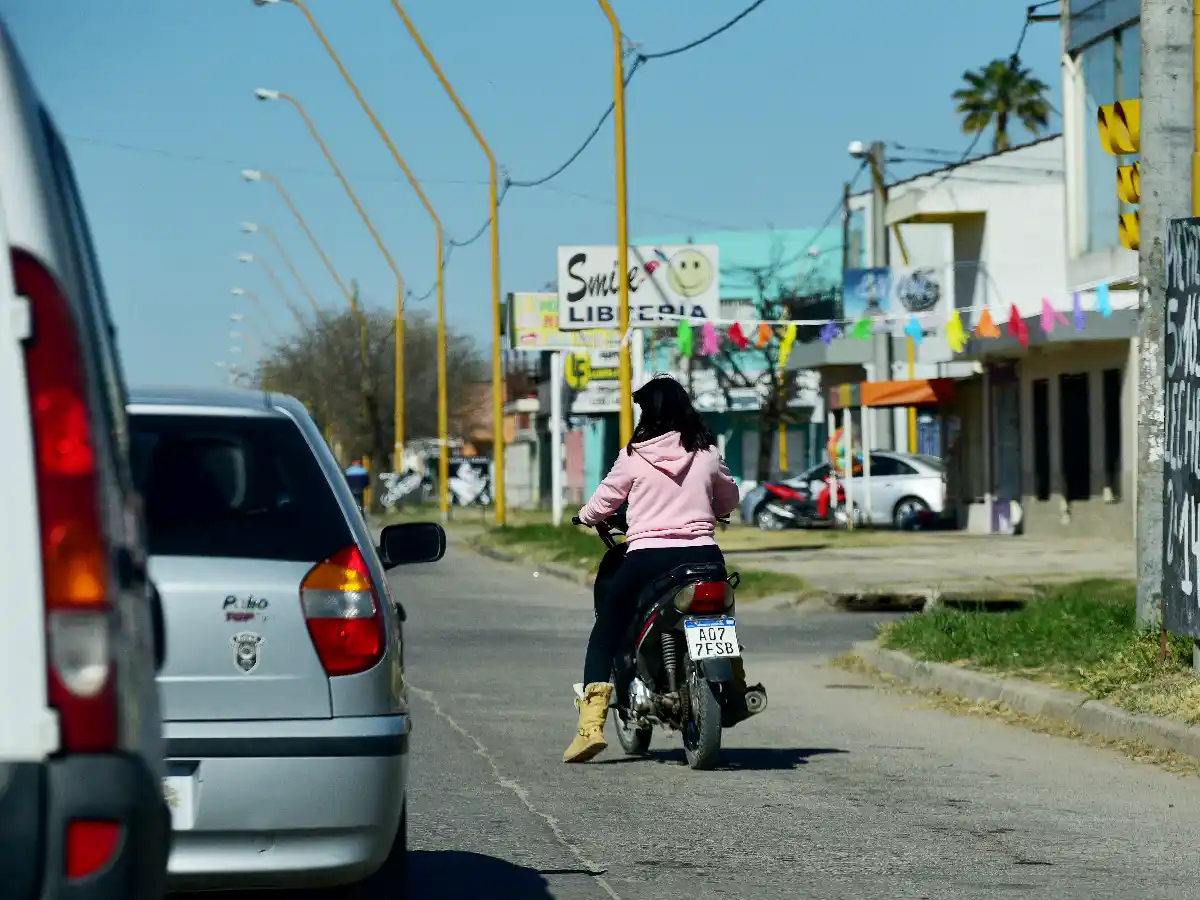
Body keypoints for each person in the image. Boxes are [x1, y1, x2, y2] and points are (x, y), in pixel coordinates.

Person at [563, 375, 744, 764]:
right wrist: (717, 508)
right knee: (722, 615)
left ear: (649, 413)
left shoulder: (635, 455)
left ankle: (590, 727)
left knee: (607, 629)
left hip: (649, 558)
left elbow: (604, 502)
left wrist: (584, 516)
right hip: (704, 557)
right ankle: (739, 691)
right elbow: (729, 496)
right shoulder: (707, 452)